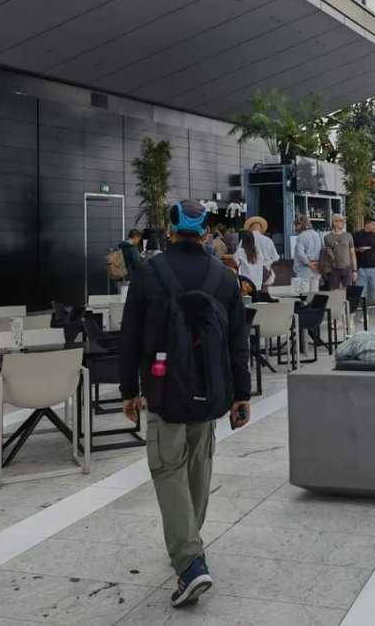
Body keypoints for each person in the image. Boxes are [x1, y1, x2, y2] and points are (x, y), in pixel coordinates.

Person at [118, 200, 251, 608]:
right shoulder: (225, 277)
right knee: (197, 469)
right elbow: (237, 342)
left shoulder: (147, 275)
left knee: (167, 469)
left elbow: (131, 337)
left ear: (170, 229)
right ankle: (189, 543)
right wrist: (241, 395)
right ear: (206, 230)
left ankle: (190, 561)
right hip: (209, 392)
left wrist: (129, 390)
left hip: (163, 391)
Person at [353, 216, 375, 304]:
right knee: (361, 293)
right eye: (373, 224)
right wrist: (359, 250)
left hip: (374, 266)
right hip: (361, 267)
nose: (374, 226)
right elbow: (352, 249)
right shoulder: (357, 235)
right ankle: (364, 313)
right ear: (367, 224)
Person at [242, 216, 280, 288]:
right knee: (264, 296)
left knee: (250, 295)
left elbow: (238, 256)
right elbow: (276, 258)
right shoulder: (268, 240)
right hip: (266, 274)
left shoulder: (245, 240)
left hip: (249, 274)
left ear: (250, 228)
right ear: (261, 229)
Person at [322, 213, 357, 290]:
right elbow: (326, 254)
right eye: (341, 221)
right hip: (333, 270)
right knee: (334, 293)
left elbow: (352, 254)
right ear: (334, 222)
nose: (343, 223)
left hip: (347, 268)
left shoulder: (348, 236)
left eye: (343, 221)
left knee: (348, 292)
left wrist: (354, 271)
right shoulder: (327, 237)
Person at [291, 215, 323, 294]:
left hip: (303, 269)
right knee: (314, 294)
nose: (295, 228)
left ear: (300, 224)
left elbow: (300, 253)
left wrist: (308, 263)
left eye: (296, 225)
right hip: (317, 267)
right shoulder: (318, 235)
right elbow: (323, 250)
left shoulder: (301, 237)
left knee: (301, 295)